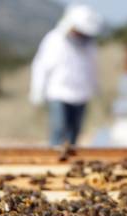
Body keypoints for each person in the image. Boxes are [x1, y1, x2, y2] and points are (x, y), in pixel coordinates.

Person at [30, 5, 103, 146]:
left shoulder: (89, 46)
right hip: (59, 93)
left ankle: (70, 162)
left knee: (74, 132)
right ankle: (54, 161)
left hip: (81, 95)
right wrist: (37, 91)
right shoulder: (54, 40)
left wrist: (95, 87)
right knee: (59, 129)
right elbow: (41, 67)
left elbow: (92, 68)